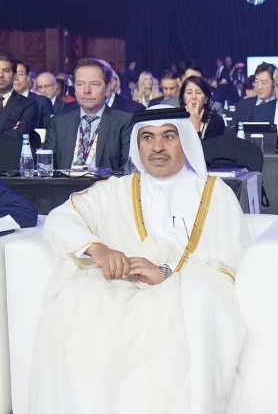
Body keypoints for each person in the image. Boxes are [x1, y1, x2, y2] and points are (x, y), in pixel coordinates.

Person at [30, 106, 250, 413]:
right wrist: (100, 249)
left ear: (184, 141)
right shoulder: (116, 190)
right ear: (137, 144)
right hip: (124, 281)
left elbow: (226, 261)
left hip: (189, 282)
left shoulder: (214, 193)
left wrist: (164, 270)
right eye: (147, 138)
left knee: (193, 305)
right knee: (74, 300)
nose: (157, 147)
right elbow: (61, 218)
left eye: (168, 137)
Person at [45, 58, 133, 172]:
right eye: (80, 84)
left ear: (107, 88)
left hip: (106, 187)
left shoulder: (124, 122)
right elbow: (47, 168)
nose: (86, 90)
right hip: (65, 187)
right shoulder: (58, 123)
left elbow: (127, 169)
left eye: (94, 84)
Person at [0, 53, 38, 139]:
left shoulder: (28, 104)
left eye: (6, 71)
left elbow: (20, 135)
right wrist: (8, 131)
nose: (1, 75)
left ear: (14, 76)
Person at [12, 59, 53, 130]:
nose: (16, 78)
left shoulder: (42, 102)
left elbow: (50, 130)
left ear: (28, 78)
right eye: (13, 74)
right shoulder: (3, 101)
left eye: (20, 74)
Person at [181, 76, 225, 141]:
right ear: (184, 98)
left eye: (198, 93)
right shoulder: (176, 119)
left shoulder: (216, 121)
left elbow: (212, 150)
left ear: (206, 99)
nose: (193, 97)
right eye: (189, 93)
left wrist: (196, 128)